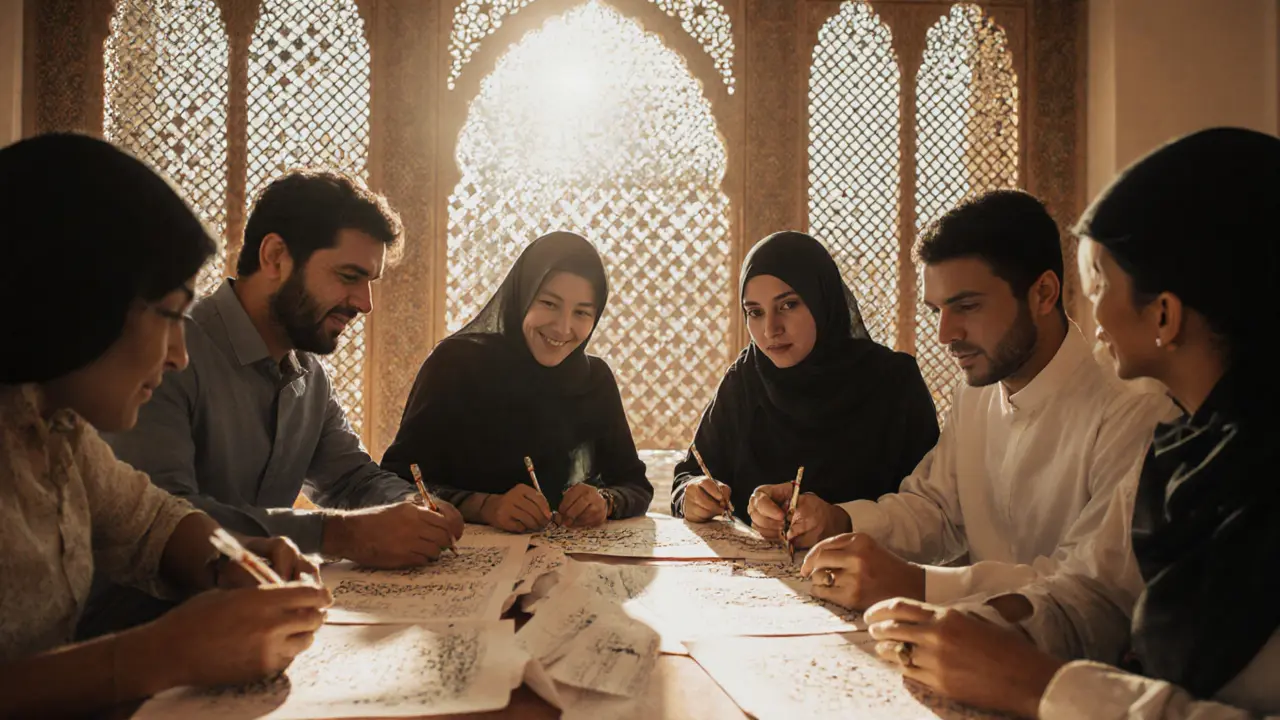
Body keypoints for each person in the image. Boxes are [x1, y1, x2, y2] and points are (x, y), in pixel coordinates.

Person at [860, 127, 1280, 719]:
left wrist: (1042, 686)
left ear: (1165, 312)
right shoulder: (1193, 450)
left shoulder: (1146, 418)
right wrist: (973, 626)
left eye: (1101, 283)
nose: (1093, 310)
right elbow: (1098, 592)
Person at [0, 134, 331, 716]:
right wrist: (159, 655)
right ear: (80, 300)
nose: (180, 354)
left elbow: (153, 522)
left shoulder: (58, 431)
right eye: (172, 316)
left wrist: (236, 558)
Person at [800, 190, 1171, 610]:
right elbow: (938, 510)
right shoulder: (975, 392)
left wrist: (920, 586)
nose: (945, 334)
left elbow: (1091, 588)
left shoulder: (1129, 409)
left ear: (1044, 293)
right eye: (936, 310)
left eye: (967, 306)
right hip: (966, 641)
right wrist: (837, 520)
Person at [104, 170, 462, 571]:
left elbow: (351, 480)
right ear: (274, 257)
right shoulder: (167, 355)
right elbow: (165, 520)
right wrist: (341, 534)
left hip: (255, 610)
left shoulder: (309, 376)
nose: (365, 303)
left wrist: (413, 507)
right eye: (349, 276)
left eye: (370, 282)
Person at [670, 231, 939, 549]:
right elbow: (688, 476)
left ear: (822, 301)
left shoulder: (893, 382)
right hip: (755, 585)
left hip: (868, 582)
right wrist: (692, 495)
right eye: (755, 312)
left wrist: (842, 520)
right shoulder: (745, 379)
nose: (770, 329)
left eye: (788, 305)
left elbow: (933, 514)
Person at [382, 231, 653, 532]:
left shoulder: (594, 379)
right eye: (549, 303)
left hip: (571, 567)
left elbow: (636, 486)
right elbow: (396, 482)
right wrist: (484, 506)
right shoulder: (456, 365)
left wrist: (605, 501)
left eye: (581, 313)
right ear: (522, 295)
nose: (563, 328)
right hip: (465, 564)